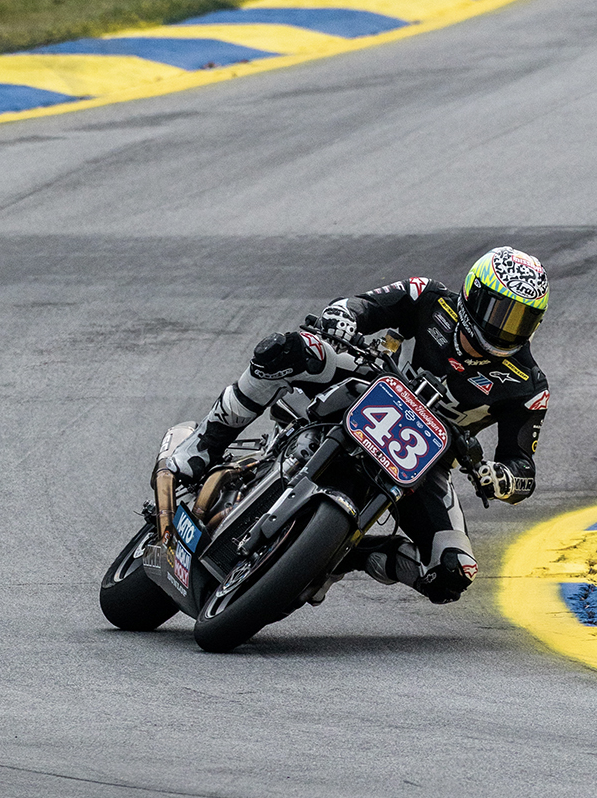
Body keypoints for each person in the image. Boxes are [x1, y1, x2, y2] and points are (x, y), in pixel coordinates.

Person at [161, 247, 551, 604]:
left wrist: (500, 477)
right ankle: (204, 444)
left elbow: (523, 469)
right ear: (473, 295)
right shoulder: (430, 297)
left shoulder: (528, 385)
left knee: (452, 573)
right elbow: (362, 305)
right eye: (500, 312)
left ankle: (343, 556)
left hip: (423, 460)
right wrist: (342, 318)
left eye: (522, 319)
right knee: (285, 350)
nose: (507, 328)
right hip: (369, 386)